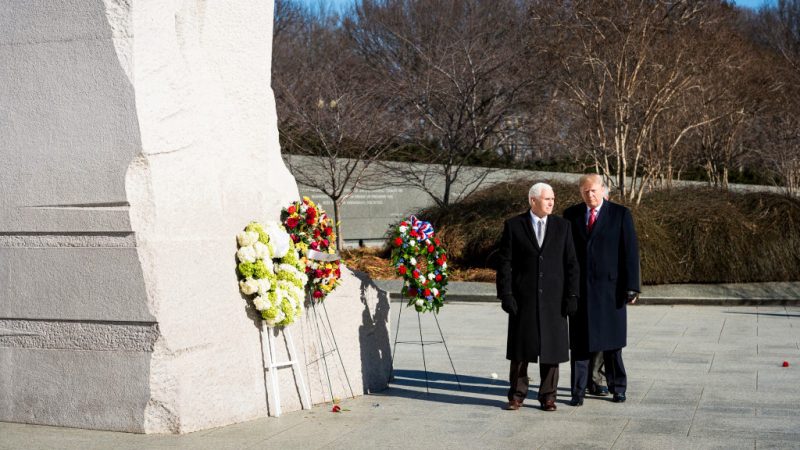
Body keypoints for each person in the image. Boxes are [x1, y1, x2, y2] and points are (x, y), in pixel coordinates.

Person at [496, 182, 580, 412]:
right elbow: (505, 264)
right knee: (521, 350)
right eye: (547, 199)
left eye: (553, 198)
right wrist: (506, 294)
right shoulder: (514, 226)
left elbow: (572, 263)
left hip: (555, 299)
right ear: (533, 201)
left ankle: (548, 396)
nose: (552, 202)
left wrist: (573, 294)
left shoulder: (563, 226)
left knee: (552, 350)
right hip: (523, 299)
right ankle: (517, 395)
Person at [563, 174, 641, 406]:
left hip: (611, 291)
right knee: (579, 346)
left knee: (612, 346)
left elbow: (630, 252)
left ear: (603, 190)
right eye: (585, 191)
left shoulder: (620, 214)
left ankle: (618, 387)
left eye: (594, 190)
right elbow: (566, 254)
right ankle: (577, 393)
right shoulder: (571, 215)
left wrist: (632, 287)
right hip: (580, 292)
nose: (590, 195)